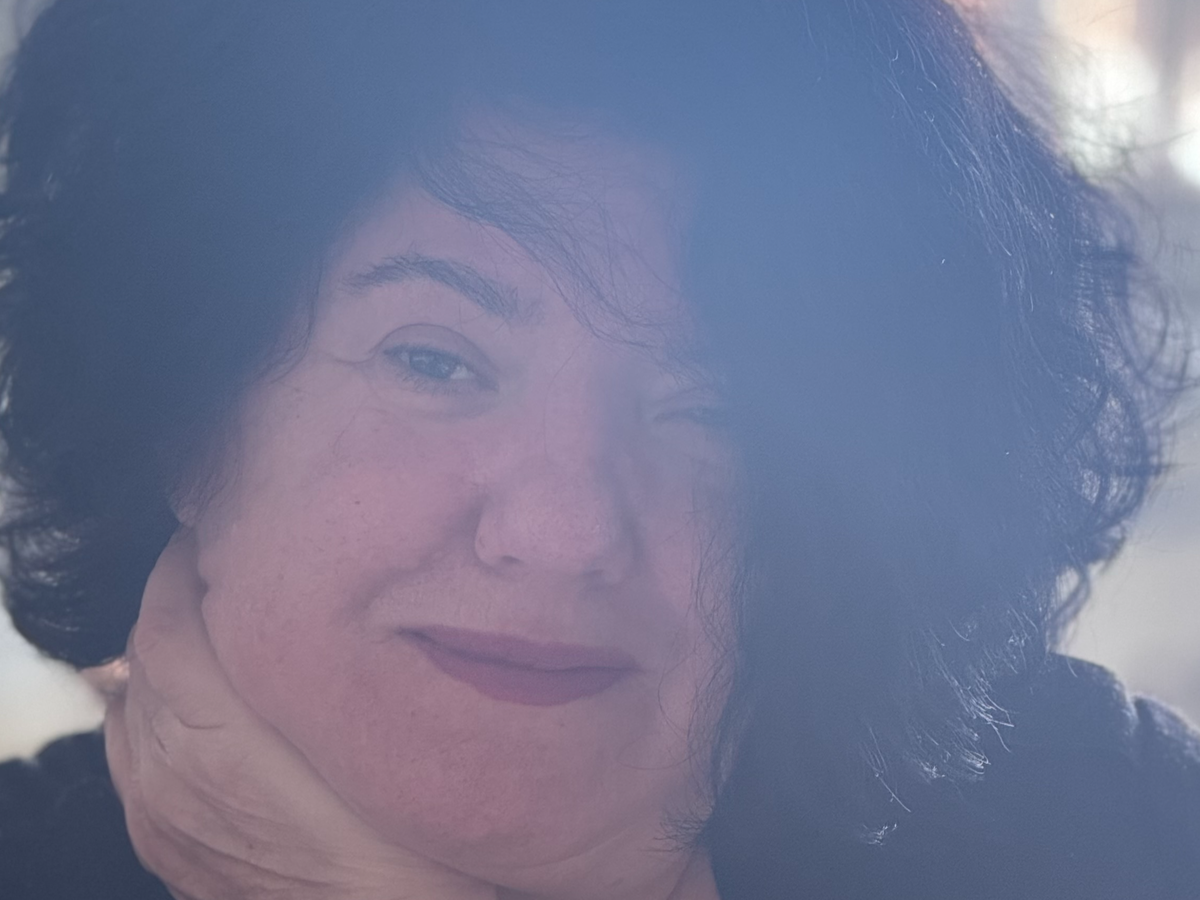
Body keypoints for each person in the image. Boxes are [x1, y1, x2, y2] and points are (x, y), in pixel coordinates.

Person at [0, 0, 1197, 898]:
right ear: (177, 405)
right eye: (435, 362)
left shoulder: (1119, 837)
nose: (567, 529)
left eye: (713, 408)